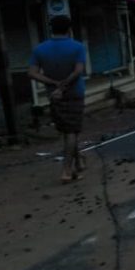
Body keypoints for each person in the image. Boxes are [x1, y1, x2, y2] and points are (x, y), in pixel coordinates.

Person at [28, 15, 87, 183]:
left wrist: (54, 84)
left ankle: (79, 163)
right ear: (69, 29)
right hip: (74, 92)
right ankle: (67, 171)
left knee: (68, 130)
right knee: (71, 131)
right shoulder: (77, 47)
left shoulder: (40, 49)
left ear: (51, 29)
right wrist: (65, 84)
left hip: (54, 95)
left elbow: (31, 73)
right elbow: (78, 71)